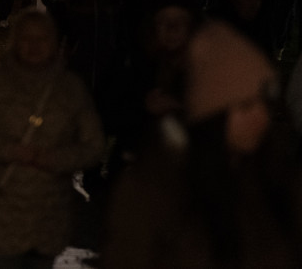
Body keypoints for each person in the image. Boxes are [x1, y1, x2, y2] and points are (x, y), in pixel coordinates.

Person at [102, 22, 302, 269]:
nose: (261, 117)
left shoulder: (276, 181)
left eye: (266, 102)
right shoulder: (153, 190)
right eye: (245, 106)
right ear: (212, 117)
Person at [0, 10, 105, 268]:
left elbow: (94, 145)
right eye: (26, 38)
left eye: (42, 38)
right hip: (2, 215)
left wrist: (55, 158)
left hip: (49, 216)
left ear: (55, 42)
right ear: (15, 40)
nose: (34, 46)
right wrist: (7, 150)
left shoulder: (70, 89)